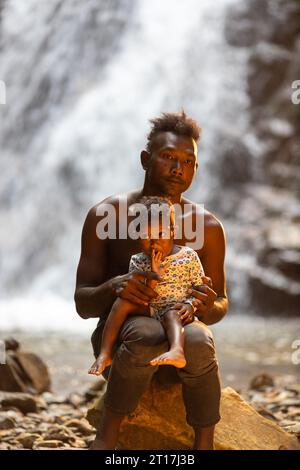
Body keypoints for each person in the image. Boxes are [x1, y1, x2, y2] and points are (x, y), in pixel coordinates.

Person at [74, 111, 229, 450]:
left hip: (180, 346)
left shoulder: (208, 228)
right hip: (122, 343)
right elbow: (82, 303)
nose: (178, 169)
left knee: (201, 338)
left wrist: (206, 304)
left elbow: (220, 304)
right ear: (146, 159)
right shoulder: (107, 215)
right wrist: (115, 287)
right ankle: (107, 438)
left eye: (188, 162)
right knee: (146, 332)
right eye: (168, 157)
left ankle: (204, 445)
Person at [88, 196, 205, 375]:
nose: (154, 242)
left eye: (160, 234)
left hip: (177, 308)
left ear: (173, 231)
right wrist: (153, 276)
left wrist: (190, 305)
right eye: (146, 236)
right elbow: (140, 293)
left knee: (172, 313)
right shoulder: (138, 260)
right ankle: (105, 353)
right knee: (122, 302)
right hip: (149, 307)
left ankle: (176, 350)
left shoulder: (188, 257)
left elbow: (199, 289)